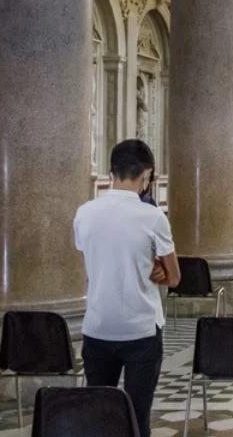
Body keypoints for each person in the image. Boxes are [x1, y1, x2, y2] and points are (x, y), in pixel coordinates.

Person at [74, 139, 181, 437]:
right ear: (146, 175)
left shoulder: (85, 212)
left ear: (112, 172)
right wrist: (156, 270)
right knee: (137, 417)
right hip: (140, 330)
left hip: (97, 327)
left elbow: (94, 256)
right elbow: (174, 278)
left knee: (99, 415)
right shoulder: (153, 217)